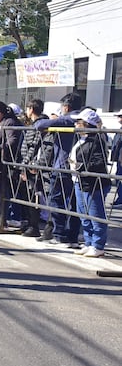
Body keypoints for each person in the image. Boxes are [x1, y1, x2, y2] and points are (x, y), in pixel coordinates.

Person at [34, 93, 84, 248]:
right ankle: (72, 236)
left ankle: (59, 234)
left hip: (63, 166)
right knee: (75, 203)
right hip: (78, 168)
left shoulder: (67, 119)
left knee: (57, 200)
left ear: (66, 107)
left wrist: (52, 119)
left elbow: (39, 124)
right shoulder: (84, 119)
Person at [69, 108, 109, 257]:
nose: (76, 125)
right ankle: (88, 242)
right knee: (83, 214)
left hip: (92, 183)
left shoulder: (97, 140)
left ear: (86, 124)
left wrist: (80, 166)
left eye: (78, 122)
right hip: (79, 181)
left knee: (95, 214)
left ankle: (98, 245)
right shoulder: (81, 139)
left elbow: (99, 162)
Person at [18, 99, 48, 237]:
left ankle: (34, 225)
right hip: (30, 165)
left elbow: (34, 147)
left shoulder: (39, 126)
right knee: (30, 197)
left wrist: (26, 165)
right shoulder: (36, 125)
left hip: (33, 167)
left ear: (31, 109)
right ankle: (31, 223)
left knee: (34, 197)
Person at [109, 109, 122, 206]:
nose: (119, 118)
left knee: (119, 178)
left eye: (120, 116)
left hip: (121, 158)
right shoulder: (120, 129)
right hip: (119, 158)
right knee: (118, 178)